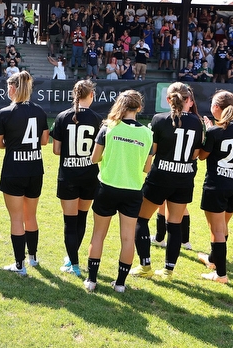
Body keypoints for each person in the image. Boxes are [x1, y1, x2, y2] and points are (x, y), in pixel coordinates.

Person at [129, 83, 204, 280]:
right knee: (174, 225)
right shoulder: (197, 122)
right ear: (188, 99)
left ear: (168, 99)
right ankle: (168, 270)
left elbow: (151, 151)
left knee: (140, 219)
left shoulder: (159, 119)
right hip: (184, 179)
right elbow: (196, 154)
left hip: (160, 178)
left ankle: (145, 265)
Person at [84, 90, 154, 293]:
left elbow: (94, 158)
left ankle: (91, 280)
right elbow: (147, 168)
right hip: (132, 191)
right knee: (127, 238)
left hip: (107, 187)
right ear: (139, 108)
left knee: (98, 235)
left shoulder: (108, 128)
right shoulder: (147, 134)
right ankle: (121, 284)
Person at [0, 71, 50, 275]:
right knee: (31, 216)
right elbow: (44, 141)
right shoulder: (40, 111)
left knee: (17, 218)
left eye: (8, 87)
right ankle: (33, 258)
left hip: (14, 170)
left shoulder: (5, 113)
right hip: (35, 169)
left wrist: (13, 144)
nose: (7, 90)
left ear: (14, 88)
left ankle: (20, 265)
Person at [196, 91, 233, 283]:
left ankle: (220, 274)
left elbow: (202, 156)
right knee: (222, 227)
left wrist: (208, 131)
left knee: (217, 230)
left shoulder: (214, 131)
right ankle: (213, 259)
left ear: (216, 108)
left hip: (217, 186)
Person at [51, 79, 102, 278]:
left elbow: (56, 150)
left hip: (68, 175)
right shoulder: (98, 119)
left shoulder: (63, 116)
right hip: (90, 175)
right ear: (92, 95)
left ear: (74, 95)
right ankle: (72, 259)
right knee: (81, 218)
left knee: (69, 221)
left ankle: (73, 262)